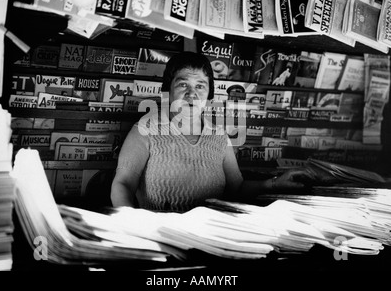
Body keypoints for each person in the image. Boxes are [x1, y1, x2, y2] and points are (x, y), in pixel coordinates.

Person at [110, 51, 311, 212]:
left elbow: (237, 188)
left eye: (200, 86)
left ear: (208, 95)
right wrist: (133, 224)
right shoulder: (146, 129)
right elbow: (123, 184)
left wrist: (274, 184)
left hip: (211, 238)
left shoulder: (219, 136)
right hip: (161, 237)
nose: (192, 93)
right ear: (168, 91)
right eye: (182, 84)